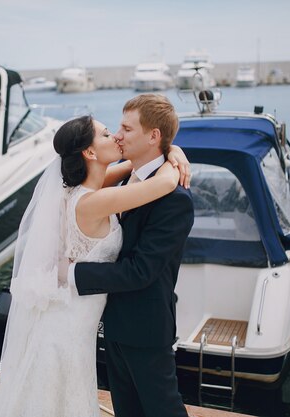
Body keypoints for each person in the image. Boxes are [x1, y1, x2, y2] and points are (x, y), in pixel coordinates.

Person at [0, 112, 190, 417]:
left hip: (77, 321)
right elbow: (163, 184)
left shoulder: (86, 188)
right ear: (90, 152)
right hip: (69, 326)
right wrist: (175, 161)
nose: (117, 137)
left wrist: (173, 149)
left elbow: (133, 170)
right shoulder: (94, 201)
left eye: (121, 130)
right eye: (109, 133)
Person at [70, 94, 194, 417]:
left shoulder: (175, 199)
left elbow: (141, 270)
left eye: (127, 128)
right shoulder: (126, 178)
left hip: (146, 330)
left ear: (153, 136)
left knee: (165, 410)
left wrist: (73, 275)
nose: (118, 135)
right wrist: (174, 150)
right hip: (114, 328)